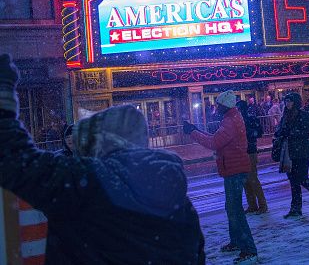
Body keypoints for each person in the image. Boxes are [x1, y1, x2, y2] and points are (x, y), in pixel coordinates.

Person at [0, 54, 205, 264]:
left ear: (101, 143)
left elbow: (13, 161)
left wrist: (4, 101)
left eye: (84, 143)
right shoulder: (180, 202)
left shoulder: (90, 181)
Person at [184, 90, 258, 264]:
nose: (216, 107)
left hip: (234, 169)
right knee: (232, 208)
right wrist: (196, 130)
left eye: (218, 104)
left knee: (235, 210)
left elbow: (213, 143)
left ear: (225, 105)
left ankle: (249, 250)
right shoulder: (231, 118)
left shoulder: (230, 122)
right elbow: (217, 139)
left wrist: (193, 133)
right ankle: (237, 241)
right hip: (233, 167)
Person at [236, 100, 268, 214]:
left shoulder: (246, 119)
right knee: (246, 180)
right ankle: (252, 205)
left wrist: (247, 134)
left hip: (249, 151)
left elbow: (258, 132)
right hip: (244, 151)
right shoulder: (243, 119)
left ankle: (262, 205)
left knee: (252, 179)